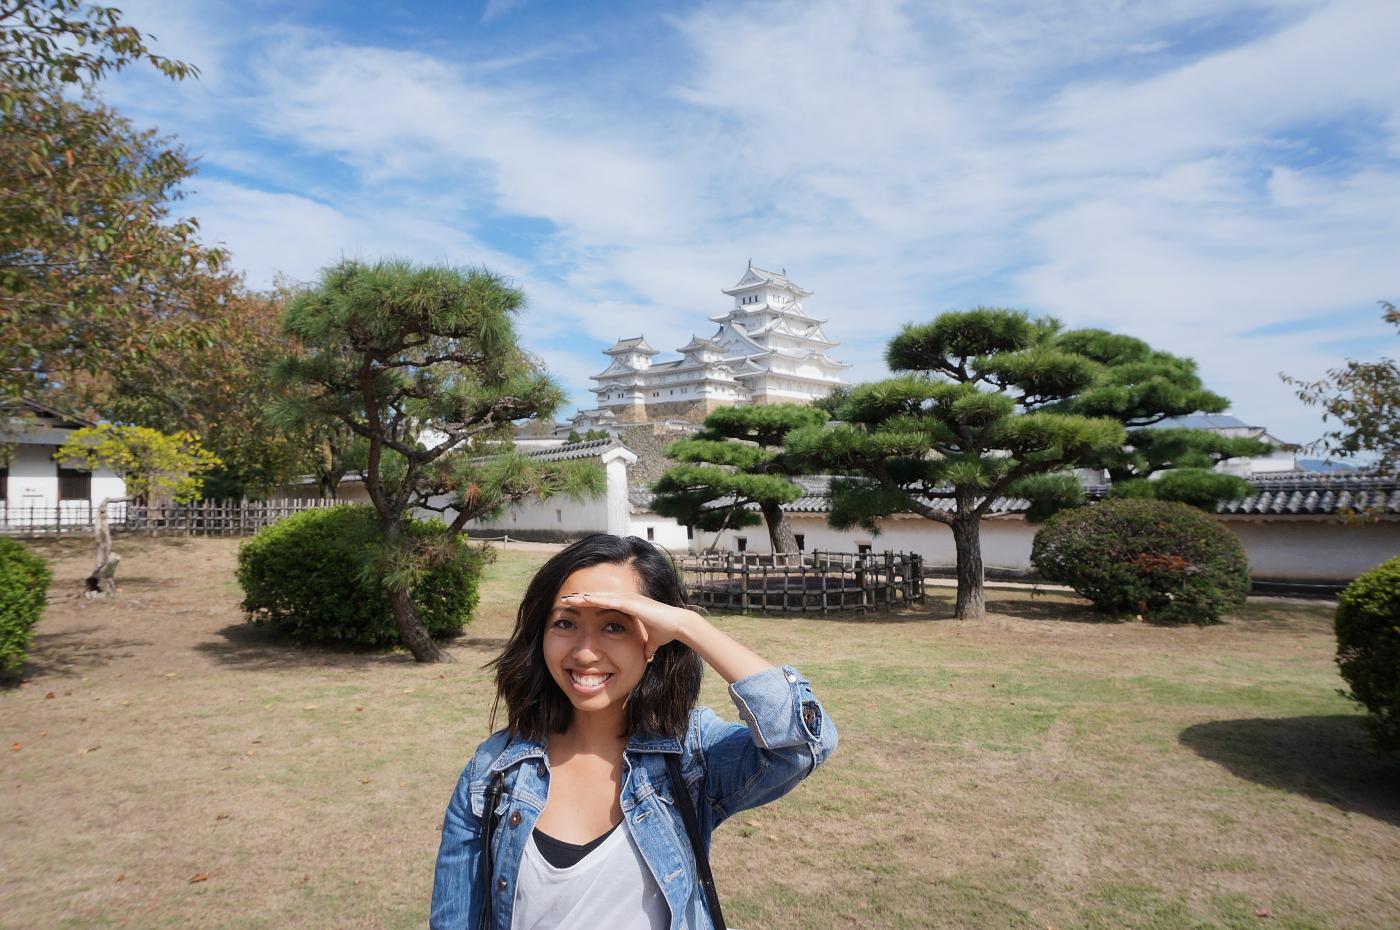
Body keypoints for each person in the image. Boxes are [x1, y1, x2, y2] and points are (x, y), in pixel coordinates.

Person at [430, 533, 838, 930]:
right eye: (565, 623)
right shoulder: (492, 772)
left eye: (615, 626)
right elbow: (454, 919)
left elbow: (799, 742)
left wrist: (689, 626)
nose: (585, 652)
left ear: (654, 637)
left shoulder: (690, 754)